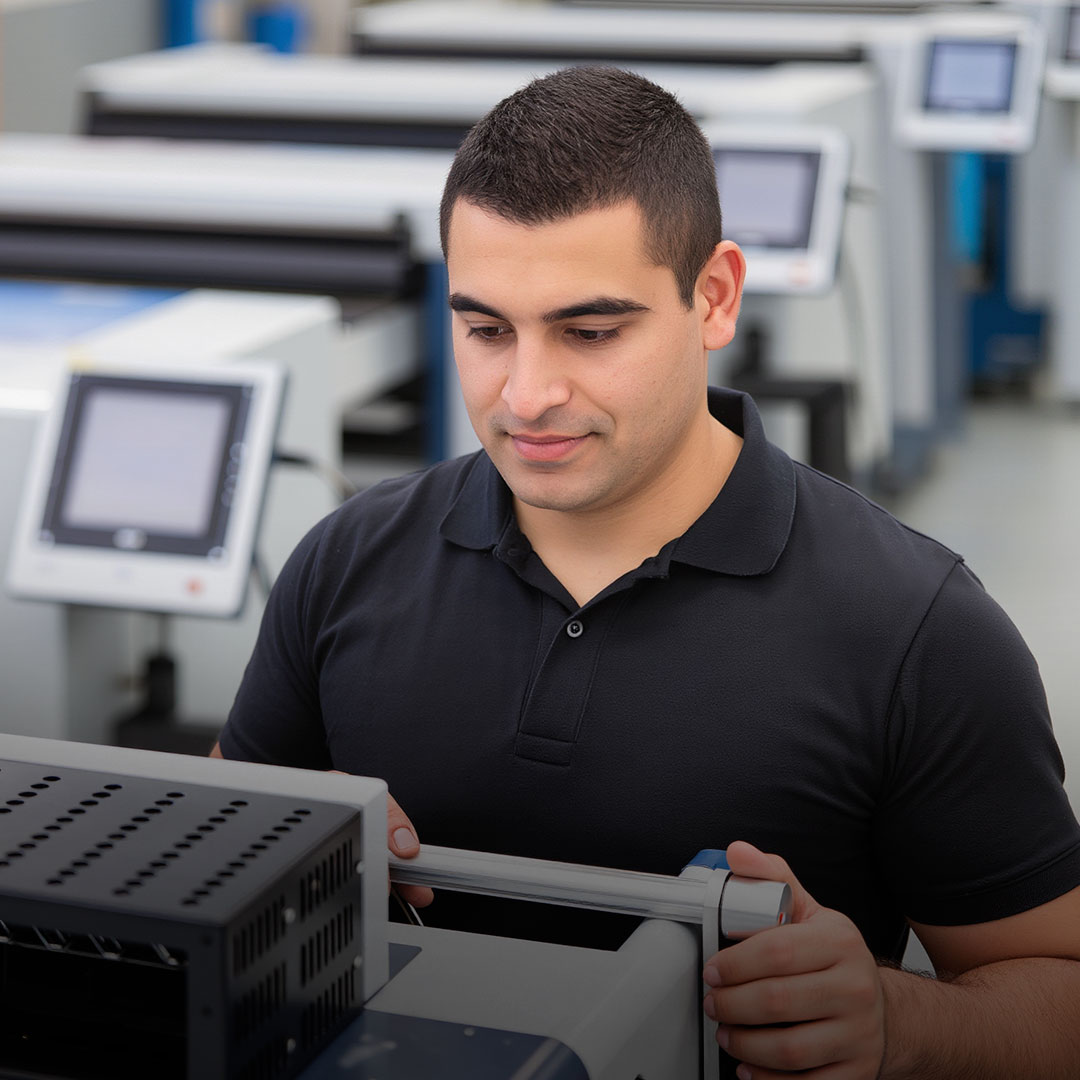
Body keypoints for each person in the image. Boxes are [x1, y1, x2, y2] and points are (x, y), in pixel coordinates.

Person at [214, 66, 1080, 1078]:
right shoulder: (346, 562)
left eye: (590, 332)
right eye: (486, 329)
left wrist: (896, 1022)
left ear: (713, 297)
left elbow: (1057, 995)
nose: (526, 394)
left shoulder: (918, 631)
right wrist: (283, 850)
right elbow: (210, 846)